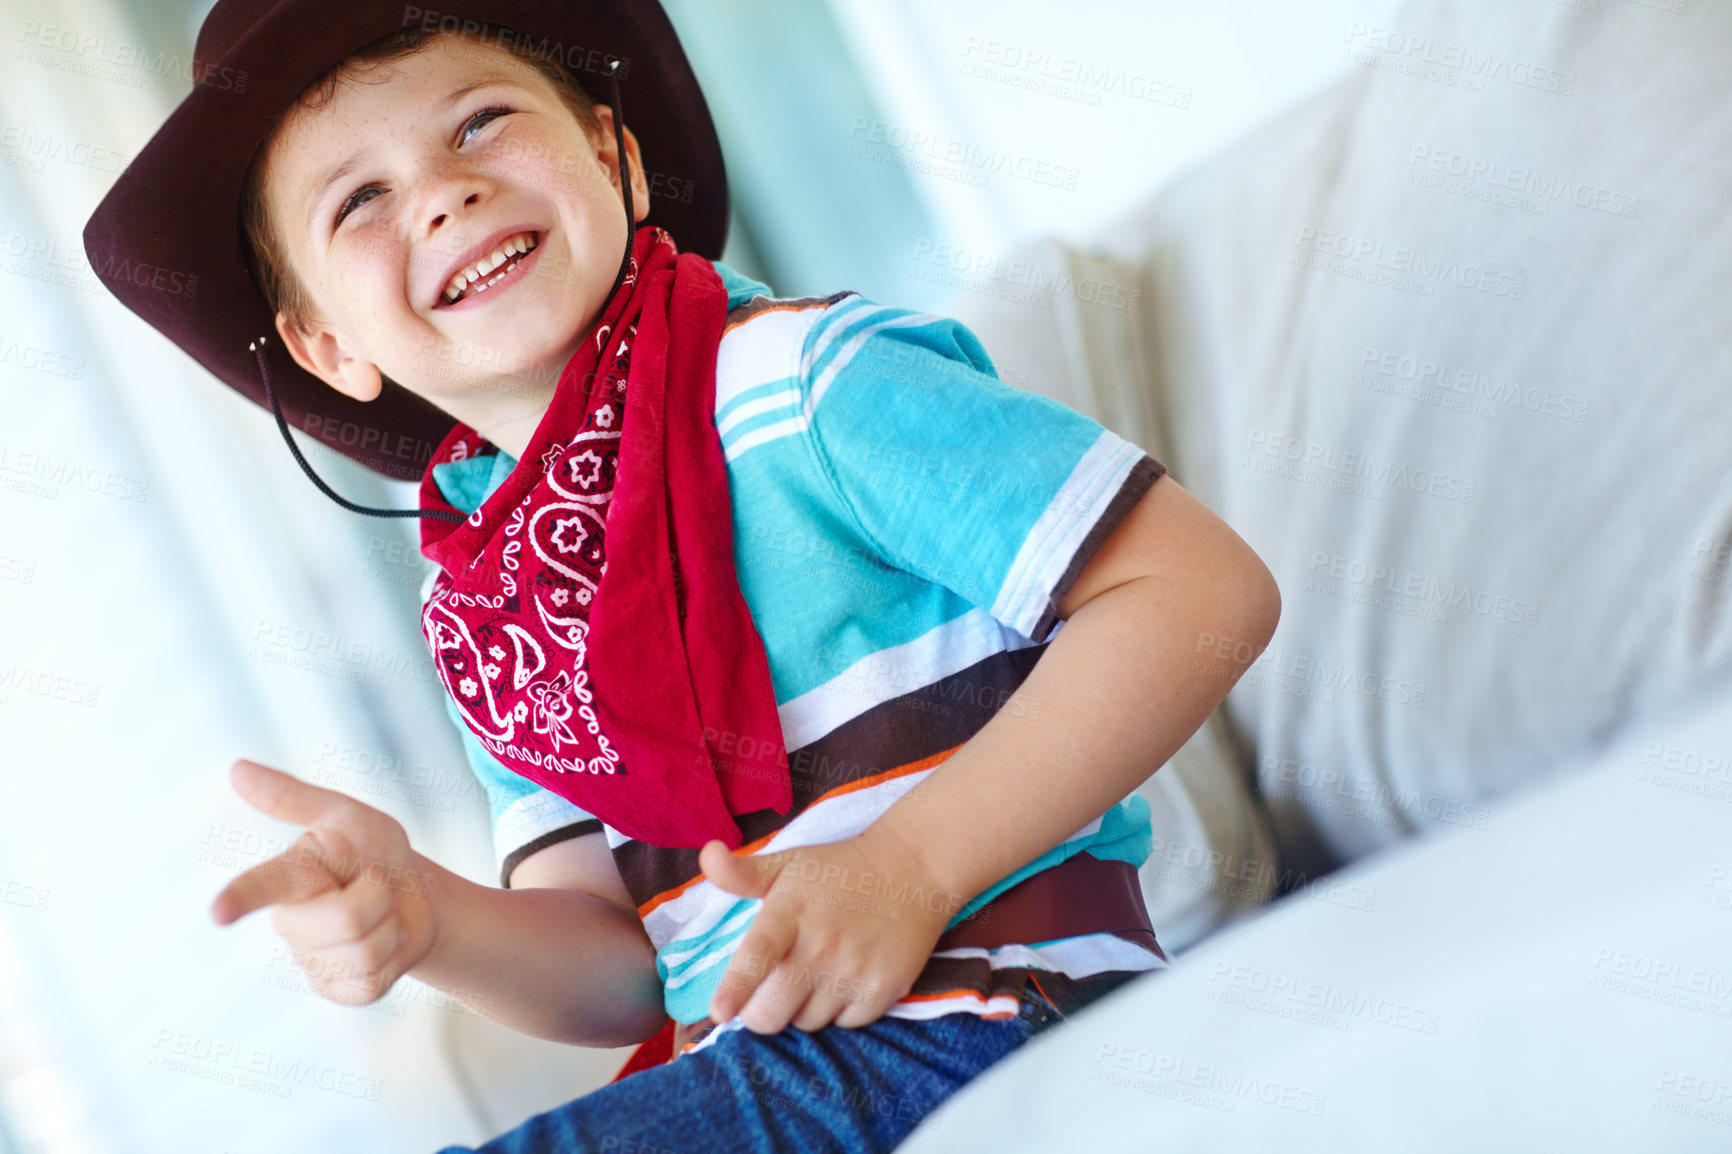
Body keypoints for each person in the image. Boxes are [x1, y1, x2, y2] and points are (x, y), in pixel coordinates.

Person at [83, 3, 1280, 1150]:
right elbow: (623, 969)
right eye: (360, 199)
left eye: (481, 121)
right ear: (328, 346)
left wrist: (908, 868)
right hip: (765, 1059)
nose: (445, 192)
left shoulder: (806, 379)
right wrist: (433, 918)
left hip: (1003, 1006)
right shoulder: (483, 607)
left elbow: (1199, 590)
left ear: (614, 156)